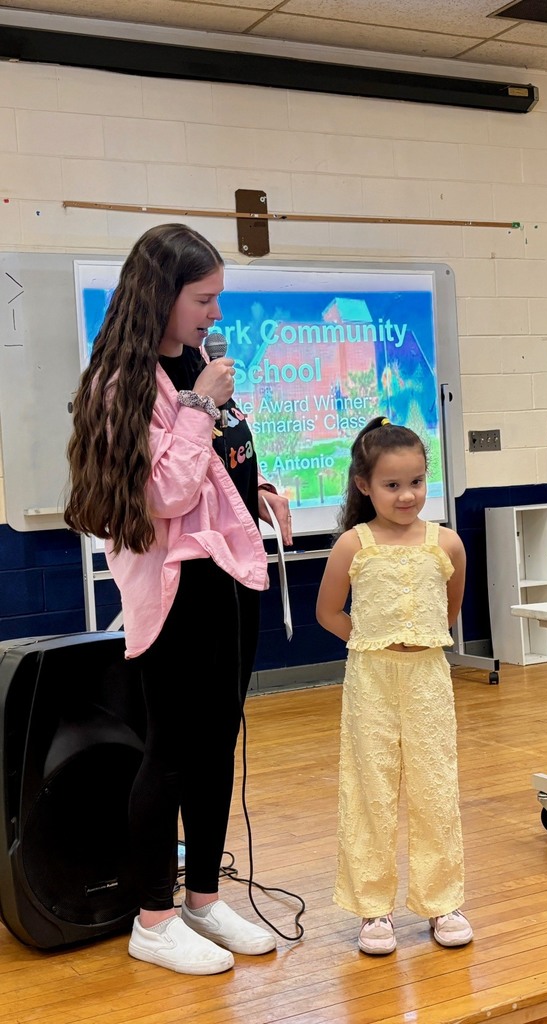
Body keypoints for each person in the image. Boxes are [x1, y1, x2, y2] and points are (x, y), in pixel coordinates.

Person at [64, 223, 294, 975]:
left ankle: (201, 899)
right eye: (203, 299)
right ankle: (153, 918)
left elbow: (211, 470)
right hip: (176, 587)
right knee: (169, 750)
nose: (214, 316)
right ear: (160, 295)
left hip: (228, 576)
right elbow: (163, 491)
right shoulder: (119, 385)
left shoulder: (197, 366)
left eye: (218, 299)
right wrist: (197, 404)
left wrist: (254, 491)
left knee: (216, 743)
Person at [315, 416, 472, 956]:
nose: (407, 496)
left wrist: (418, 639)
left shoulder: (446, 545)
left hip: (429, 677)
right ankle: (373, 910)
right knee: (369, 789)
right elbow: (328, 611)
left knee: (435, 787)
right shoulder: (352, 545)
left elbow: (449, 612)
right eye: (392, 485)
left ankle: (442, 900)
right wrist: (370, 639)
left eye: (416, 482)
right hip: (372, 679)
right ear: (364, 485)